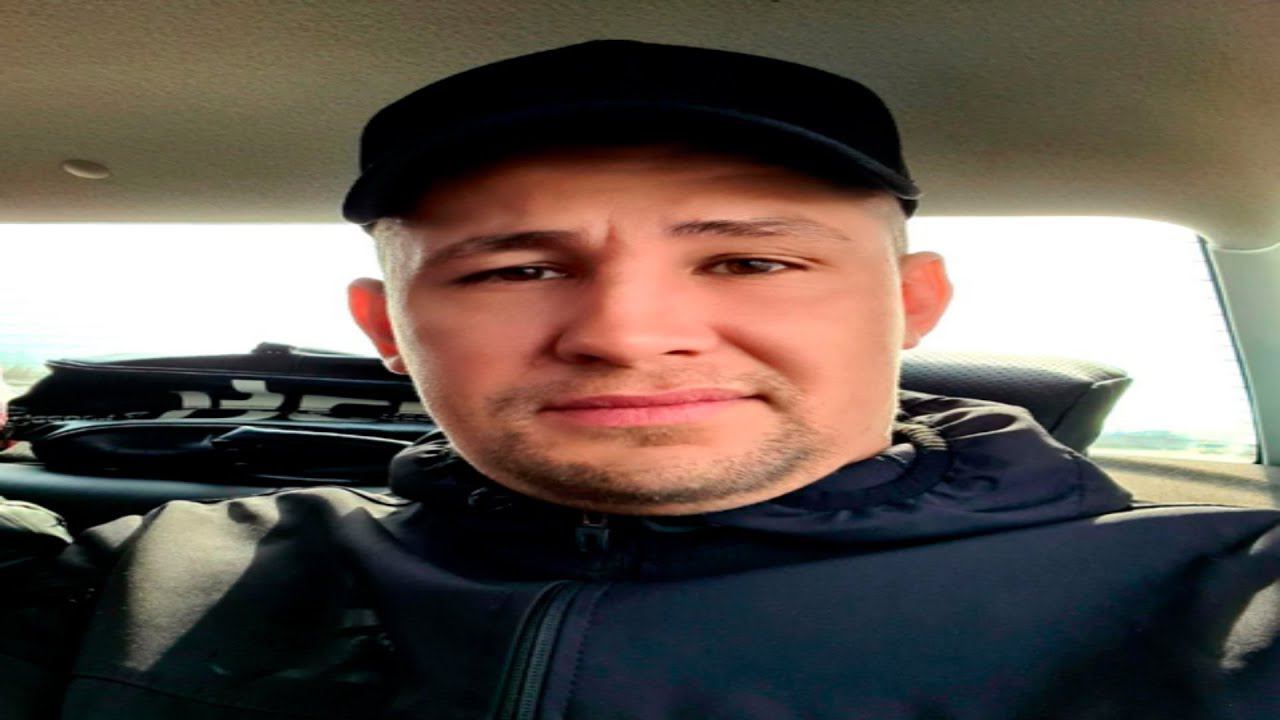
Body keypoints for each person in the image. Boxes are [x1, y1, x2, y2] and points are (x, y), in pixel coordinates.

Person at [3, 39, 1278, 720]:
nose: (623, 335)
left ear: (911, 303)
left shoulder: (1215, 608)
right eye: (515, 270)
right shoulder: (136, 586)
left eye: (748, 260)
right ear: (384, 327)